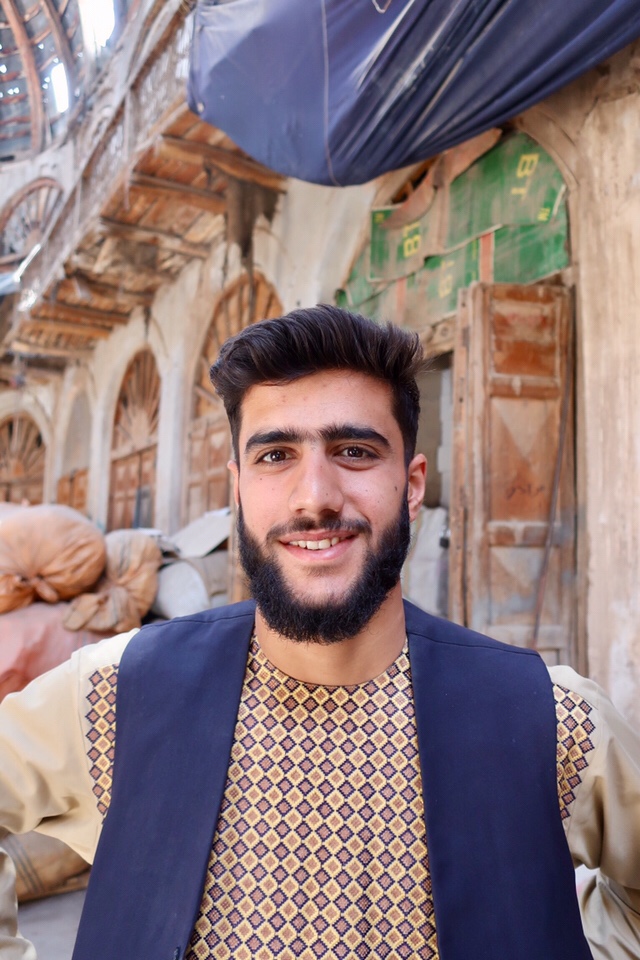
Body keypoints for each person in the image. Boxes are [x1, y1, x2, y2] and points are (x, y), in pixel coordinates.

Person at [0, 304, 638, 960]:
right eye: (276, 455)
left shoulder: (554, 719)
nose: (315, 496)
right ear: (239, 488)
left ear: (412, 486)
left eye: (354, 451)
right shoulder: (115, 694)